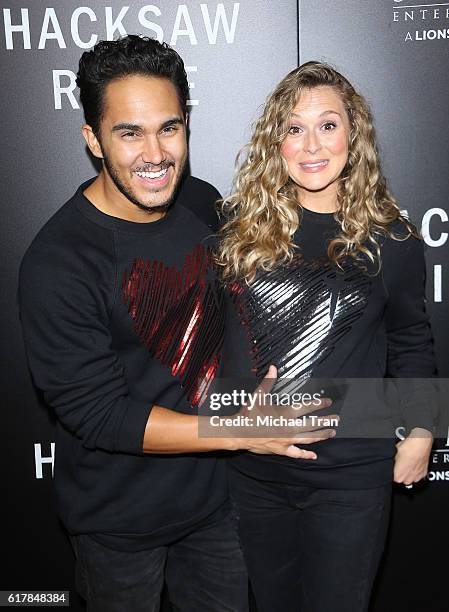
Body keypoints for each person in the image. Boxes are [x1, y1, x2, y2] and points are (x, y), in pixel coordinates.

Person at [18, 37, 336, 612]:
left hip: (219, 506)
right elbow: (100, 414)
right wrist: (240, 431)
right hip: (117, 526)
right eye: (129, 132)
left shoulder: (201, 203)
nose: (155, 153)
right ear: (92, 138)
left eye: (169, 127)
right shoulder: (58, 261)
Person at [216, 61, 437, 612]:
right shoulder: (237, 230)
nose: (312, 144)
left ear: (352, 134)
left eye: (328, 125)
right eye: (294, 128)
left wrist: (422, 432)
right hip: (254, 471)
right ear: (277, 142)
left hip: (351, 476)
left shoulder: (393, 239)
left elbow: (412, 339)